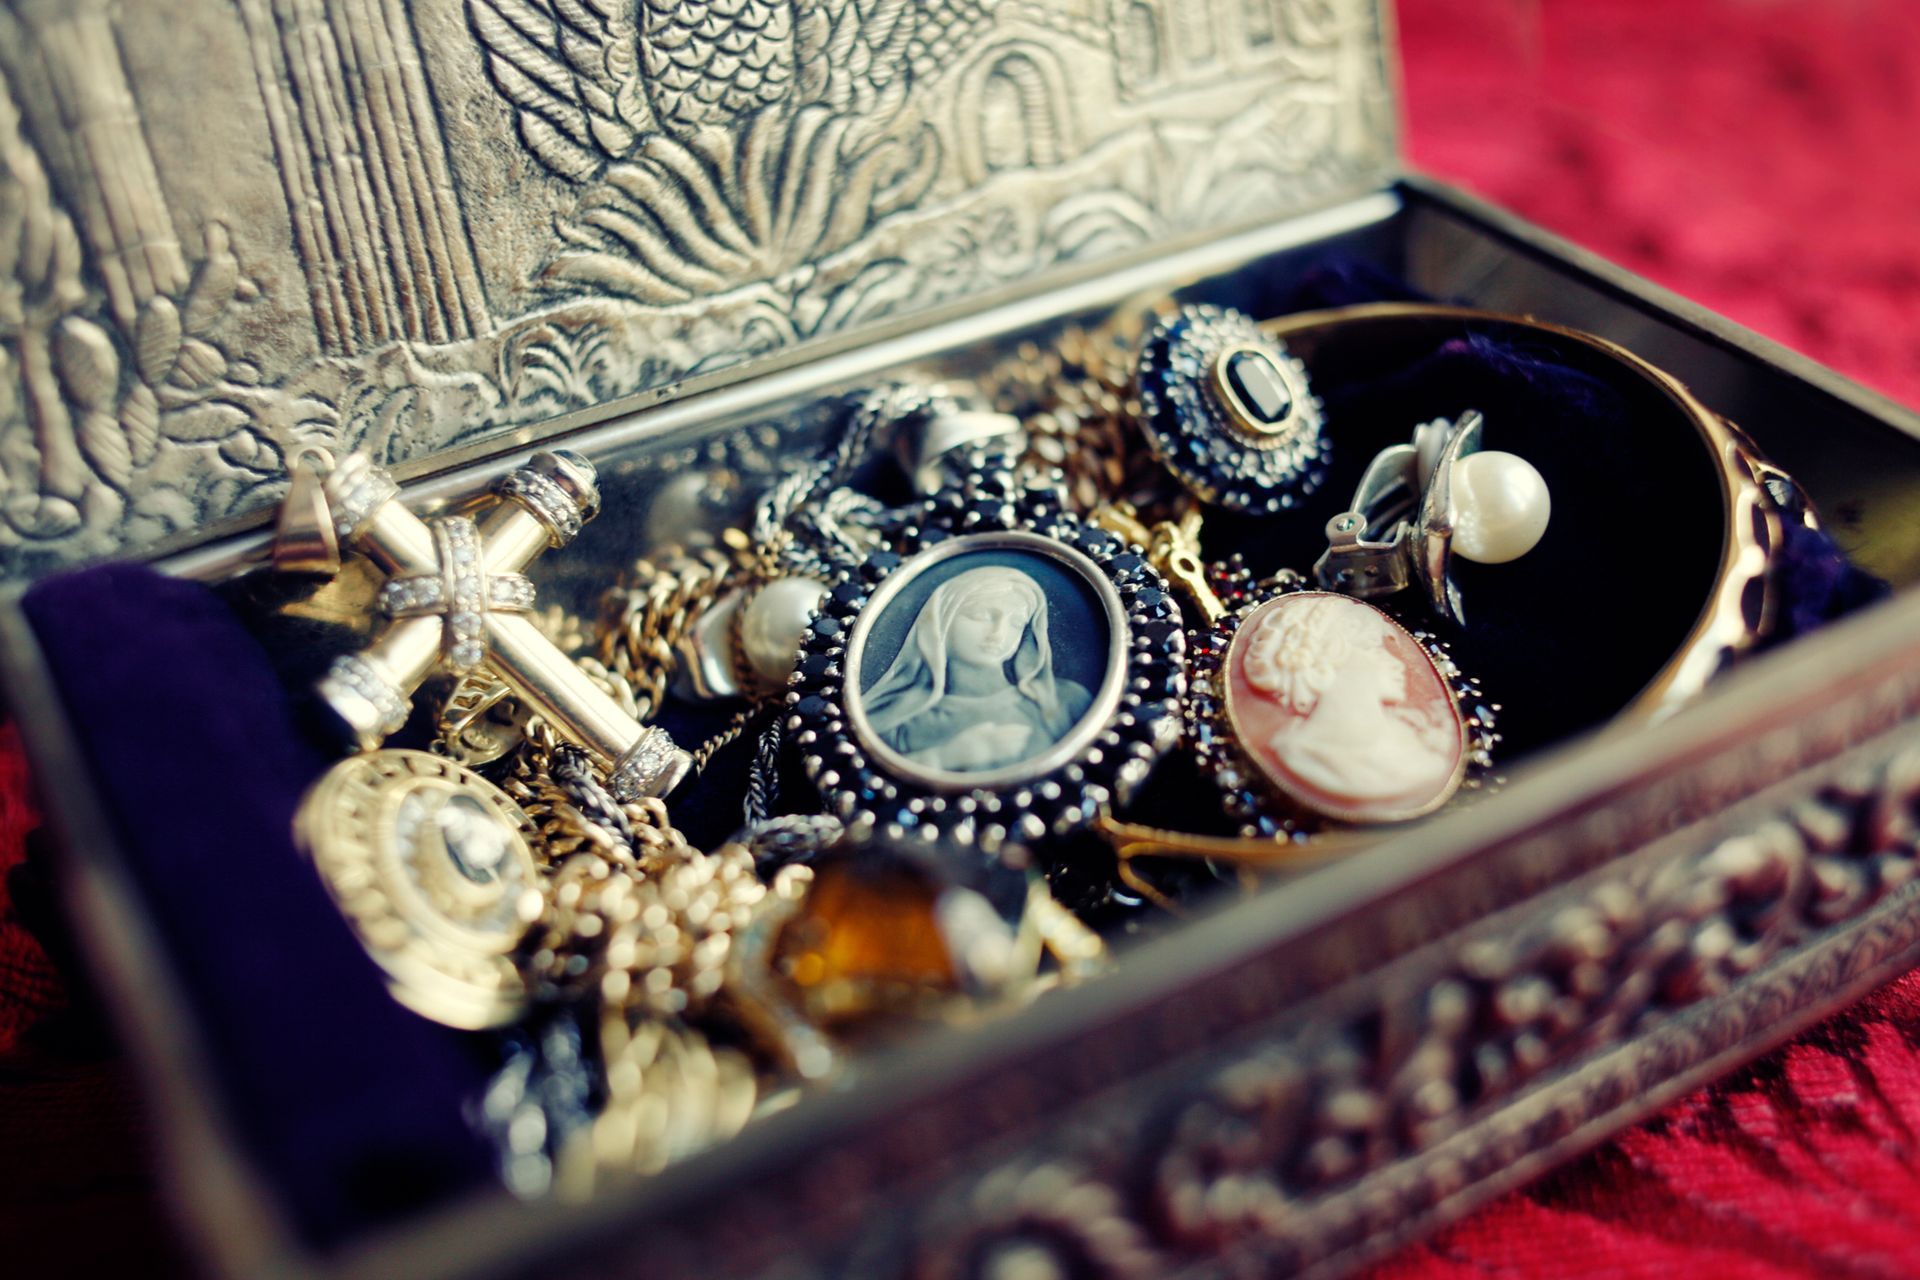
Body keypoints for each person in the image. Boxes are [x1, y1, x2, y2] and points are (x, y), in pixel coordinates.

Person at [864, 564, 1093, 773]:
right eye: (982, 615)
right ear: (942, 620)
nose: (998, 634)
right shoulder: (893, 721)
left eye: (1015, 623)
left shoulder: (1062, 702)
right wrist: (942, 757)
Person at [1241, 596, 1454, 802]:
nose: (1396, 663)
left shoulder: (1422, 744)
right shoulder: (1304, 756)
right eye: (1374, 648)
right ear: (1327, 658)